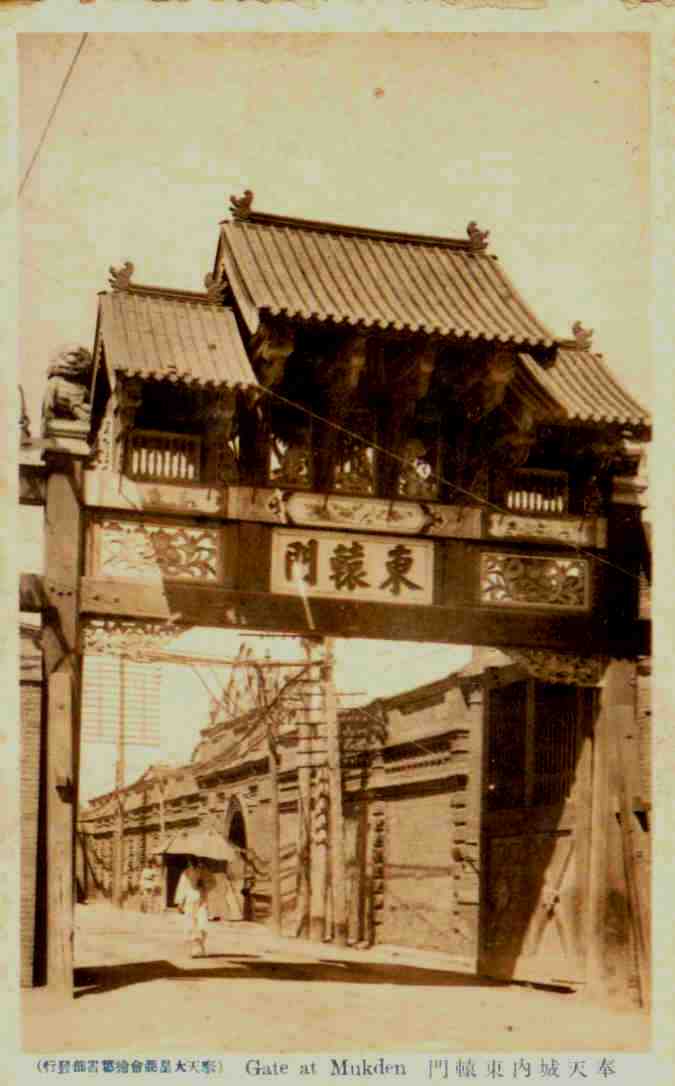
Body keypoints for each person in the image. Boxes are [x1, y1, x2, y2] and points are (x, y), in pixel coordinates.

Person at [174, 858, 212, 958]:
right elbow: (181, 887)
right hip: (190, 901)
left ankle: (201, 947)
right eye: (191, 861)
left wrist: (204, 884)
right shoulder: (186, 873)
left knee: (202, 923)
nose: (193, 863)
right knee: (191, 924)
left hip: (202, 900)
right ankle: (194, 949)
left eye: (195, 861)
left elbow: (213, 883)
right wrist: (179, 902)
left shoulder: (205, 872)